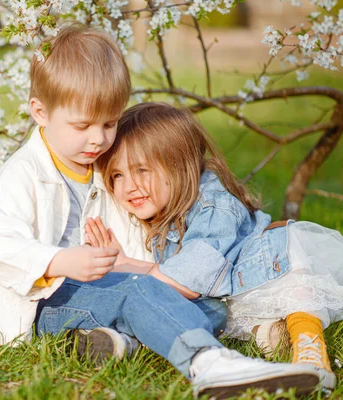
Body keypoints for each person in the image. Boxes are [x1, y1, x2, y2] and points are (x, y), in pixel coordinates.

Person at [0, 25, 322, 399]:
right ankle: (209, 363)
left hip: (105, 291)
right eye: (82, 125)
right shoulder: (22, 175)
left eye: (109, 123)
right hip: (47, 304)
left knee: (208, 308)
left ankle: (115, 343)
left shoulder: (99, 165)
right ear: (40, 112)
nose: (98, 138)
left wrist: (133, 263)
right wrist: (60, 261)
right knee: (139, 292)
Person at [86, 101, 343, 391]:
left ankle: (312, 355)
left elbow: (190, 278)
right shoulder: (164, 207)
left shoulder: (214, 206)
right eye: (117, 175)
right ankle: (266, 334)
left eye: (141, 170)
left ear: (178, 165)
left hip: (274, 267)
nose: (128, 186)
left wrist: (127, 267)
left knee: (298, 295)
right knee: (196, 312)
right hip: (227, 296)